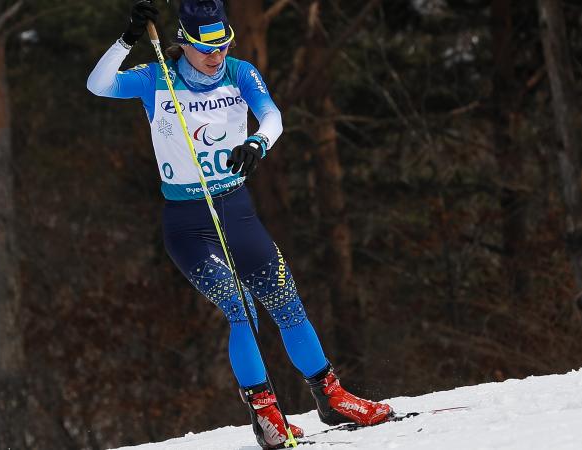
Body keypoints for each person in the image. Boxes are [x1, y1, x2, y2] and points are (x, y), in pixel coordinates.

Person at [86, 1, 392, 448]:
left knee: (286, 301)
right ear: (184, 43)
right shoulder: (157, 77)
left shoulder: (241, 72)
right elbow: (99, 85)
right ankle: (266, 414)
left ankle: (331, 396)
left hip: (235, 209)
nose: (217, 56)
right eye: (207, 48)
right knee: (241, 307)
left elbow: (273, 117)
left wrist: (257, 142)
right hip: (188, 224)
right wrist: (127, 39)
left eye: (224, 44)